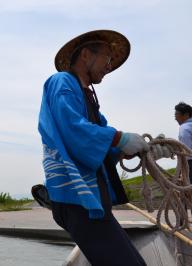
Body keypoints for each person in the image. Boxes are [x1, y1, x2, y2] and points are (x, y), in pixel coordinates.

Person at [37, 30, 149, 266]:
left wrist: (138, 148)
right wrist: (120, 139)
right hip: (75, 199)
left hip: (90, 198)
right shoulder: (62, 83)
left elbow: (107, 145)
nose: (109, 67)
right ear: (86, 55)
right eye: (107, 59)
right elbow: (73, 129)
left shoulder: (90, 101)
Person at [175, 102, 192, 182]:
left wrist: (179, 172)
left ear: (186, 115)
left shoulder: (184, 128)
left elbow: (185, 153)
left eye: (177, 114)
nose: (175, 118)